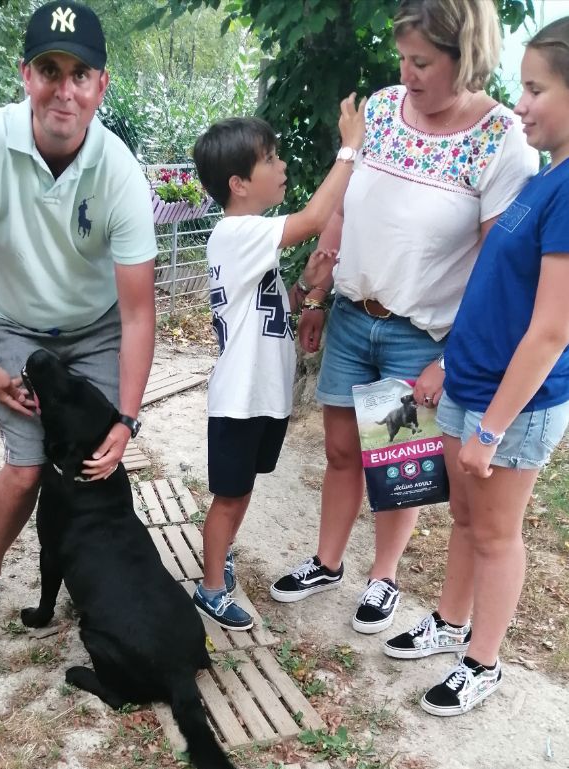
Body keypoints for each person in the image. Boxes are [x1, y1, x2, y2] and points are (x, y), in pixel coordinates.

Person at [270, 0, 538, 637]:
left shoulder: (504, 141)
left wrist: (451, 359)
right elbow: (344, 209)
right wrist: (316, 290)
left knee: (395, 465)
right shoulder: (386, 110)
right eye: (403, 58)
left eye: (422, 61)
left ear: (464, 57)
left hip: (419, 334)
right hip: (352, 315)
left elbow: (493, 268)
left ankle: (383, 577)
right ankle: (327, 562)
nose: (407, 72)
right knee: (340, 448)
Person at [0, 1, 157, 630]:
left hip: (97, 324)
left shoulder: (120, 175)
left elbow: (139, 313)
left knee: (95, 463)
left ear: (101, 85)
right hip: (13, 326)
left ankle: (95, 573)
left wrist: (128, 420)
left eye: (80, 74)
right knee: (28, 469)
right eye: (49, 71)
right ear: (24, 74)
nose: (64, 89)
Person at [384, 16, 569, 717]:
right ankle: (449, 621)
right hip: (470, 382)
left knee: (495, 532)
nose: (519, 103)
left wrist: (491, 430)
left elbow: (550, 331)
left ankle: (482, 660)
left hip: (514, 403)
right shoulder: (547, 176)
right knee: (462, 517)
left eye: (535, 89)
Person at [191, 103, 365, 630]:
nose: (283, 165)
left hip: (261, 396)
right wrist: (349, 149)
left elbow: (266, 312)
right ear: (240, 183)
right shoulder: (237, 233)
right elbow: (315, 219)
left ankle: (222, 560)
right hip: (240, 399)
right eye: (273, 158)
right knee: (229, 496)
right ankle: (211, 587)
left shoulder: (247, 240)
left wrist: (304, 287)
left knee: (242, 490)